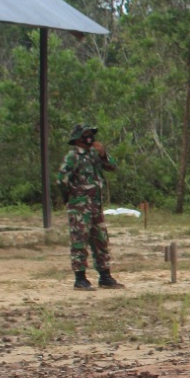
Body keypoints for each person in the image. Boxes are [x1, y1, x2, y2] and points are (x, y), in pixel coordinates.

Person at [57, 123, 122, 291]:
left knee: (101, 240)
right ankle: (80, 278)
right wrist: (72, 198)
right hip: (79, 208)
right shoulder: (72, 157)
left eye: (91, 134)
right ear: (78, 138)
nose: (90, 137)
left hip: (95, 206)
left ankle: (105, 276)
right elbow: (61, 180)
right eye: (86, 134)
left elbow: (112, 167)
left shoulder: (94, 155)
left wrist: (103, 155)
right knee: (79, 241)